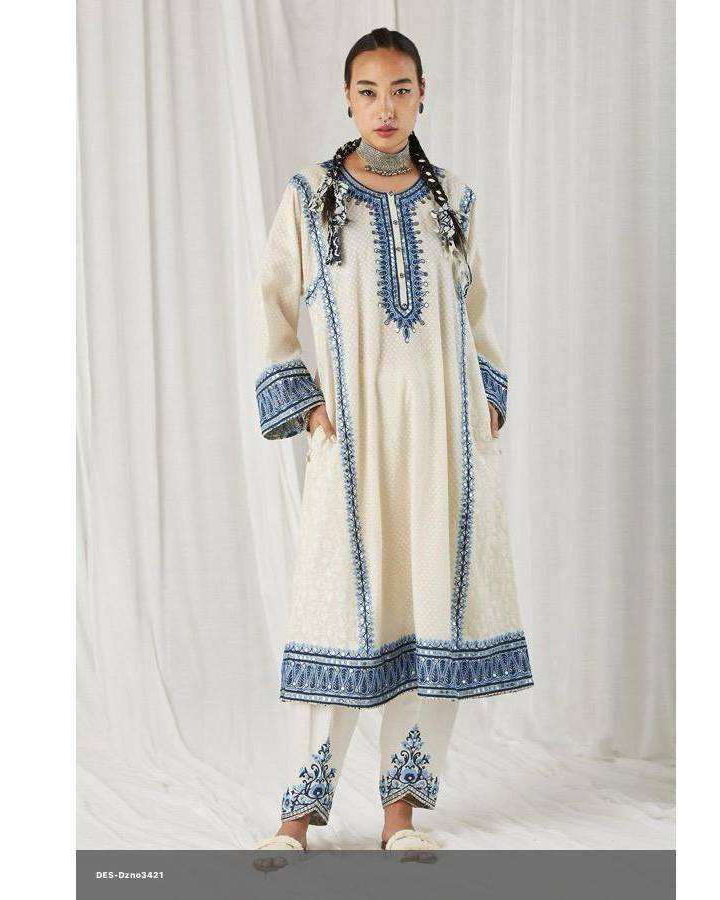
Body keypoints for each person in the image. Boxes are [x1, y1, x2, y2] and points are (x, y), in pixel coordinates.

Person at [251, 27, 534, 855]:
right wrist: (307, 408)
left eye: (401, 89)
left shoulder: (454, 201)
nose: (386, 107)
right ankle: (296, 814)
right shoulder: (311, 198)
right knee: (337, 609)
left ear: (422, 95)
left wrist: (486, 402)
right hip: (353, 446)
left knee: (427, 607)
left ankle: (401, 814)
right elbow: (271, 305)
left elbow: (476, 316)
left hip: (442, 445)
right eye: (369, 91)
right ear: (347, 98)